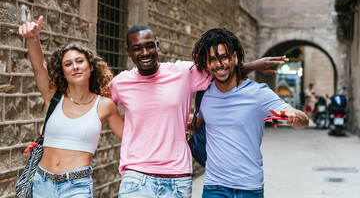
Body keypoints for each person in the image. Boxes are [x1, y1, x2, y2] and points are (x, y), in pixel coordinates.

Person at [109, 24, 288, 198]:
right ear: (128, 52)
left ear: (158, 45)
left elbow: (220, 69)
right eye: (137, 48)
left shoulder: (182, 72)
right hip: (136, 176)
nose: (145, 53)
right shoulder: (121, 83)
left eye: (150, 46)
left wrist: (253, 66)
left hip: (177, 177)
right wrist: (128, 137)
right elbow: (102, 106)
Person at [191, 28, 309, 198]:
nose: (219, 64)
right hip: (214, 186)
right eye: (212, 60)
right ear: (207, 64)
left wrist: (291, 113)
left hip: (249, 187)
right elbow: (201, 123)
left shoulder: (258, 93)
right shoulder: (204, 94)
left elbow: (303, 121)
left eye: (224, 57)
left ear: (235, 58)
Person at [18, 16, 124, 198]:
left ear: (91, 67)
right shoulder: (53, 96)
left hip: (77, 187)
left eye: (79, 61)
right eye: (68, 64)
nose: (74, 66)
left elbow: (130, 137)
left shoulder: (104, 105)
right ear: (63, 72)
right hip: (42, 183)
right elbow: (38, 67)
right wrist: (33, 39)